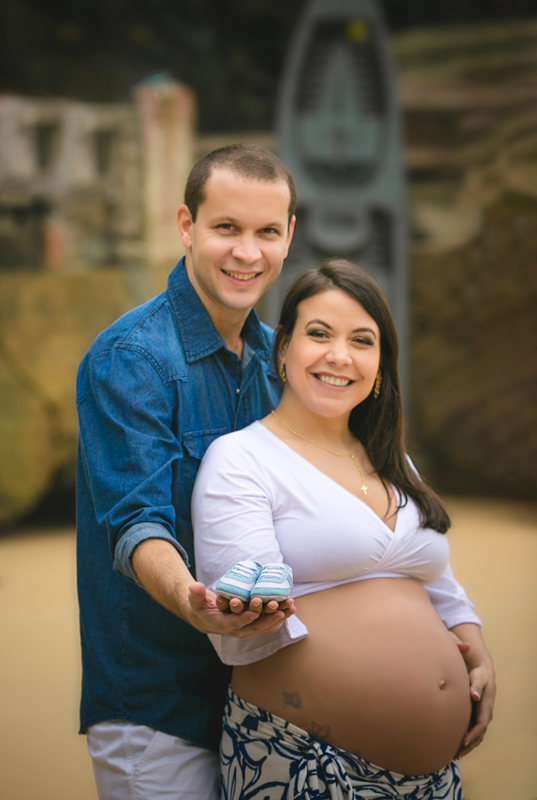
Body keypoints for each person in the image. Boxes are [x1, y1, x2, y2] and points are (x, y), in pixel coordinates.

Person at [193, 259, 496, 800]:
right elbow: (244, 607)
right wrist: (244, 606)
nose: (340, 355)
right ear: (283, 348)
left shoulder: (392, 461)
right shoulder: (242, 458)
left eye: (362, 340)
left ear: (380, 365)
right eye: (318, 334)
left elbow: (439, 584)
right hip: (303, 758)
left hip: (435, 779)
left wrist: (475, 652)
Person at [76, 143, 298, 800]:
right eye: (225, 228)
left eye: (265, 232)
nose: (245, 253)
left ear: (290, 235)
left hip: (264, 703)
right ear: (186, 226)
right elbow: (135, 523)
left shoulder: (279, 360)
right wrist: (193, 602)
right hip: (157, 711)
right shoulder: (131, 358)